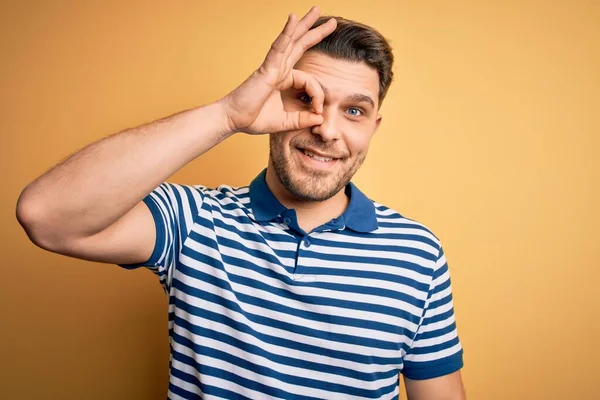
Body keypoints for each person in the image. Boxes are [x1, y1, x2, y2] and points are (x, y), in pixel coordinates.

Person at [16, 6, 465, 400]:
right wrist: (228, 114)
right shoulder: (193, 221)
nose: (327, 129)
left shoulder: (417, 253)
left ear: (374, 127)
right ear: (272, 100)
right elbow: (47, 216)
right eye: (307, 98)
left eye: (353, 111)